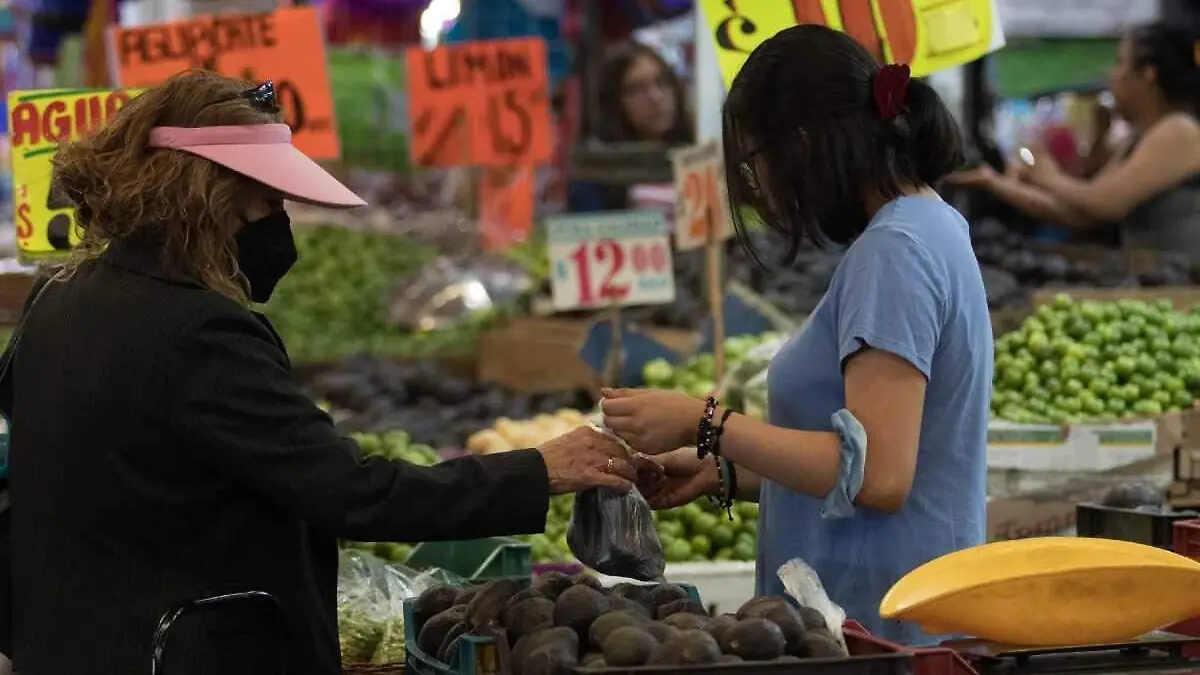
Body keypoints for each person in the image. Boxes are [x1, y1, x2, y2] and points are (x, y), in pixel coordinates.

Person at [0, 70, 638, 675]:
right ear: (206, 197)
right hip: (177, 649)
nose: (280, 223)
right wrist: (537, 470)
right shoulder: (197, 331)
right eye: (268, 201)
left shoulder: (59, 296)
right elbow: (350, 492)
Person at [602, 25, 992, 646]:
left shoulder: (895, 249)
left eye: (757, 163)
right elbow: (863, 459)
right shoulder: (925, 224)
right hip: (892, 613)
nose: (762, 190)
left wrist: (704, 421)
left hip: (884, 627)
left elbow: (879, 476)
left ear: (803, 145)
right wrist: (727, 472)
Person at [949, 23, 1200, 256]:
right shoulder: (1139, 138)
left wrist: (1048, 176)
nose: (1109, 74)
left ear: (1147, 76)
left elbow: (1106, 203)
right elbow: (1081, 213)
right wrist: (995, 182)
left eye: (1119, 63)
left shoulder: (1178, 130)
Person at [569, 41, 694, 212]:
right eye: (636, 89)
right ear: (614, 102)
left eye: (662, 82)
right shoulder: (595, 171)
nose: (656, 97)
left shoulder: (698, 153)